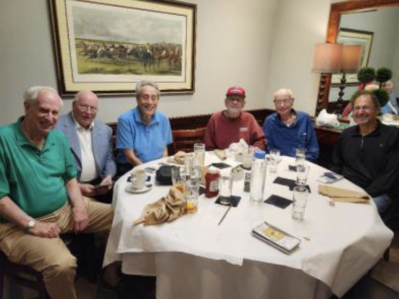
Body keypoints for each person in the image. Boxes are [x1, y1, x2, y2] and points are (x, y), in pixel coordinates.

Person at [0, 86, 114, 299]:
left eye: (54, 113)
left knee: (120, 217)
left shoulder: (58, 138)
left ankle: (111, 275)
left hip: (63, 210)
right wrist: (34, 225)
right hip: (17, 226)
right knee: (62, 264)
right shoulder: (3, 139)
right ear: (27, 107)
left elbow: (69, 178)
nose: (50, 118)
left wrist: (79, 207)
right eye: (44, 110)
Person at [331, 90, 399, 214]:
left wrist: (360, 196)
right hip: (346, 187)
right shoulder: (347, 134)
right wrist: (332, 186)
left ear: (377, 110)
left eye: (366, 107)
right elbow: (336, 164)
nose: (360, 112)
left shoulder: (392, 136)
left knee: (353, 213)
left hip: (376, 193)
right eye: (356, 108)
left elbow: (389, 176)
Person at [56, 90, 116, 203]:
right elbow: (50, 168)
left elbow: (109, 159)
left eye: (93, 108)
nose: (88, 112)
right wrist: (77, 186)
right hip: (68, 187)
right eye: (84, 106)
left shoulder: (105, 130)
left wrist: (108, 177)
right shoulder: (56, 127)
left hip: (98, 185)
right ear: (73, 105)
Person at [116, 80, 172, 176]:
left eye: (153, 98)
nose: (150, 102)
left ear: (157, 100)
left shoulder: (163, 119)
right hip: (132, 168)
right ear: (137, 99)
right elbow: (130, 157)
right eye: (145, 97)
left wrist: (161, 168)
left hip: (157, 168)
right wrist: (148, 173)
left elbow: (164, 149)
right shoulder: (125, 120)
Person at [263, 88, 319, 162]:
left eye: (285, 101)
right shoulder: (270, 121)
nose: (282, 105)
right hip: (277, 163)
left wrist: (302, 162)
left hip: (301, 163)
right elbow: (267, 148)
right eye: (278, 102)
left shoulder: (304, 119)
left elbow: (313, 150)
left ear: (292, 101)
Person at [204, 86, 266, 150]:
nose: (235, 102)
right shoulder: (215, 118)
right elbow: (208, 146)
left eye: (238, 100)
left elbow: (261, 140)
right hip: (220, 157)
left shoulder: (249, 118)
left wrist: (254, 149)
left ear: (243, 104)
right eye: (232, 99)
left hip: (243, 158)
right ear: (225, 102)